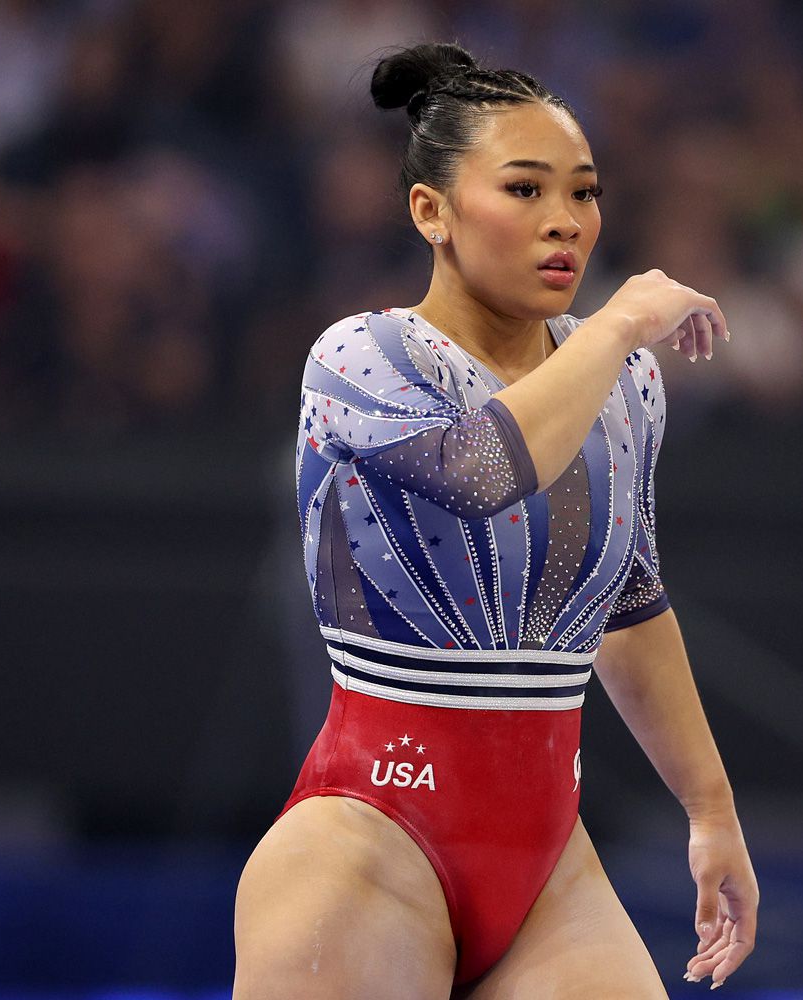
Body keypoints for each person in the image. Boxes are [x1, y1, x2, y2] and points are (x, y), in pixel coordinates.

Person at [233, 42, 758, 999]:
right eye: (524, 190)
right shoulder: (360, 357)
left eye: (585, 193)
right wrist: (612, 328)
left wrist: (711, 811)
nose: (566, 223)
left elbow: (631, 604)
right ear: (430, 210)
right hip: (370, 841)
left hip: (548, 860)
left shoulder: (625, 382)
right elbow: (480, 473)